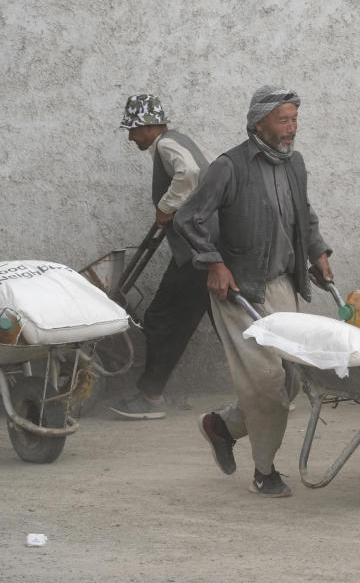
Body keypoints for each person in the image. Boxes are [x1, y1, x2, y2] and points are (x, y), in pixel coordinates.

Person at [174, 86, 334, 497]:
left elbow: (305, 215)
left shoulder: (295, 164)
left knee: (291, 379)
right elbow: (189, 217)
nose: (292, 128)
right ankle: (265, 471)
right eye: (284, 120)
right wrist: (214, 262)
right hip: (239, 288)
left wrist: (316, 253)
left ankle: (222, 426)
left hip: (281, 284)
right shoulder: (230, 166)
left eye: (295, 119)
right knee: (266, 380)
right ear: (258, 123)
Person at [110, 95, 214, 420]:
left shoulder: (166, 145)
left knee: (160, 320)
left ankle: (150, 396)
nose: (130, 137)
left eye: (133, 130)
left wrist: (166, 206)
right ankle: (281, 383)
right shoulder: (184, 140)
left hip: (196, 251)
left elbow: (192, 174)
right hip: (212, 246)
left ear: (149, 126)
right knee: (228, 321)